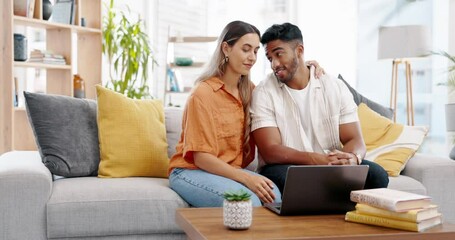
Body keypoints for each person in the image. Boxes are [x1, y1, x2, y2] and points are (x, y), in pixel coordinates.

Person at [250, 22, 389, 193]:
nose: (274, 64)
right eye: (270, 58)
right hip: (284, 166)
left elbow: (355, 139)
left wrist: (351, 158)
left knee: (377, 175)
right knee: (294, 179)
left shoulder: (334, 87)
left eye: (279, 54)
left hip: (327, 162)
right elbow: (270, 151)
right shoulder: (264, 92)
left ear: (299, 51)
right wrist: (316, 160)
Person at [168, 20, 281, 207]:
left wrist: (307, 67)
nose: (252, 57)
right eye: (246, 49)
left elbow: (283, 89)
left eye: (255, 51)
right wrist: (245, 178)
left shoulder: (251, 92)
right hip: (191, 171)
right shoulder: (203, 93)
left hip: (227, 171)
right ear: (226, 49)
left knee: (274, 198)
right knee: (247, 203)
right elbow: (201, 158)